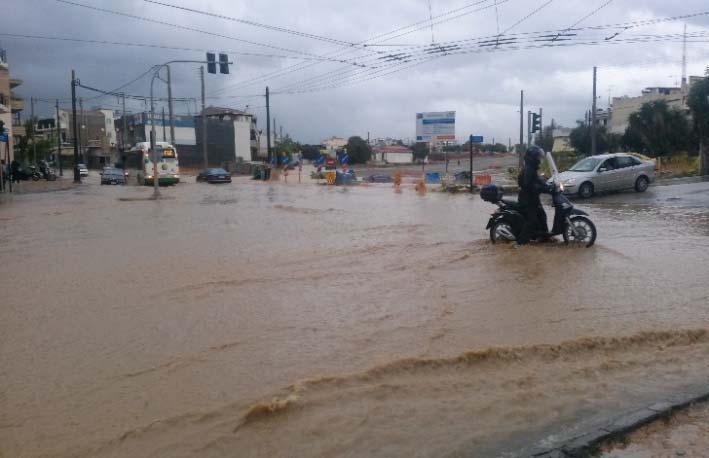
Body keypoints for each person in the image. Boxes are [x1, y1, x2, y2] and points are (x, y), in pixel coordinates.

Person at [516, 146, 552, 245]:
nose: (539, 159)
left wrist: (547, 184)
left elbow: (537, 179)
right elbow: (529, 185)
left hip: (533, 199)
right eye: (538, 157)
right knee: (531, 221)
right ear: (533, 157)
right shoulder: (528, 169)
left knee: (542, 215)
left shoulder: (532, 168)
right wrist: (542, 188)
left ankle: (544, 238)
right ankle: (519, 243)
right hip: (527, 201)